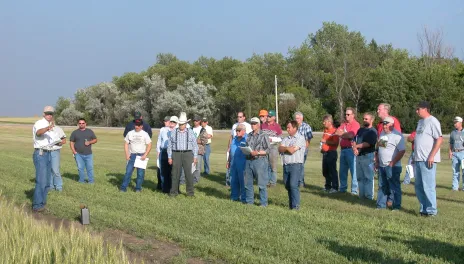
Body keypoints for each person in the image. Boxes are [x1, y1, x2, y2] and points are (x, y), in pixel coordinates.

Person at [414, 101, 442, 217]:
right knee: (419, 186)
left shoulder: (433, 121)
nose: (417, 111)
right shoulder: (420, 122)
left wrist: (432, 155)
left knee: (428, 186)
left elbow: (439, 139)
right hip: (418, 158)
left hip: (428, 159)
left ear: (425, 109)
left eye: (418, 109)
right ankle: (423, 209)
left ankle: (431, 211)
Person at [375, 117, 406, 210]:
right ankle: (381, 206)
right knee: (382, 186)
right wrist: (377, 161)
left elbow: (402, 151)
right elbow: (381, 149)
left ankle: (396, 207)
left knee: (394, 187)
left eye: (386, 124)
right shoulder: (383, 134)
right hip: (382, 165)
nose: (384, 126)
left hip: (393, 166)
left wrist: (393, 163)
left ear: (392, 125)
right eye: (383, 124)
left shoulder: (397, 135)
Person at [32, 106, 57, 212]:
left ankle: (42, 203)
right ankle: (37, 205)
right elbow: (38, 133)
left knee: (47, 182)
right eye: (47, 113)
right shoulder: (40, 123)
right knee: (41, 181)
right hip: (40, 153)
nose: (49, 115)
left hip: (48, 153)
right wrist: (48, 128)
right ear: (43, 114)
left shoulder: (49, 125)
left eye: (51, 113)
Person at [168, 112, 198, 197]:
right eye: (180, 124)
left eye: (183, 124)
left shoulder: (190, 132)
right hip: (176, 153)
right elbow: (169, 145)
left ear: (185, 124)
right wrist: (169, 157)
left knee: (189, 174)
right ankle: (173, 192)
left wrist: (195, 157)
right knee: (175, 174)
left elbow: (195, 145)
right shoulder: (174, 132)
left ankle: (190, 193)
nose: (181, 125)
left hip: (188, 154)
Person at [279, 120, 306, 210]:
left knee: (293, 185)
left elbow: (292, 151)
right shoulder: (286, 139)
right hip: (286, 165)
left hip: (295, 165)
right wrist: (287, 148)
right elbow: (280, 148)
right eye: (287, 127)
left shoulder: (300, 138)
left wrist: (285, 148)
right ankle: (291, 205)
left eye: (289, 127)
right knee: (287, 185)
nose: (287, 129)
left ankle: (296, 206)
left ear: (295, 128)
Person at [244, 117, 270, 207]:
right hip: (248, 160)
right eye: (251, 123)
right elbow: (247, 146)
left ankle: (263, 203)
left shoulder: (264, 135)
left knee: (261, 184)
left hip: (260, 161)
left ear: (259, 124)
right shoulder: (249, 135)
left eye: (254, 123)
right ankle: (249, 202)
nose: (252, 125)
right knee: (247, 183)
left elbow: (268, 150)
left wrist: (258, 152)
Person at [120, 119, 152, 192]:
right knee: (128, 172)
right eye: (136, 125)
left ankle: (138, 188)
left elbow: (149, 145)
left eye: (138, 125)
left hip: (141, 156)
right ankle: (123, 188)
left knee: (140, 174)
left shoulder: (145, 134)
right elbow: (126, 144)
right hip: (132, 155)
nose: (136, 126)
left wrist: (145, 155)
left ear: (141, 126)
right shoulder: (130, 133)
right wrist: (127, 154)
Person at [335, 107, 360, 194]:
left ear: (353, 115)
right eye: (345, 114)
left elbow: (351, 135)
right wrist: (344, 134)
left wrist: (343, 134)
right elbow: (337, 132)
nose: (346, 116)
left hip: (351, 150)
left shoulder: (356, 124)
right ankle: (342, 188)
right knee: (342, 171)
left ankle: (354, 191)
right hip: (343, 150)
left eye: (348, 114)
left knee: (354, 171)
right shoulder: (344, 124)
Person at [352, 113, 377, 200]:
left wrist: (356, 146)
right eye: (363, 119)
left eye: (366, 119)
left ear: (371, 120)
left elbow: (368, 143)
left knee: (368, 177)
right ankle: (361, 196)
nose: (364, 120)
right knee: (360, 177)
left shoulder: (372, 131)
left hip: (368, 156)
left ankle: (369, 197)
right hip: (359, 156)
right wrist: (354, 148)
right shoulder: (360, 130)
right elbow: (354, 139)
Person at [226, 112, 252, 187]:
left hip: (242, 154)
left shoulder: (248, 126)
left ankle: (243, 195)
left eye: (240, 117)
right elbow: (231, 137)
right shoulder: (234, 125)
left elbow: (249, 139)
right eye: (238, 117)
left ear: (244, 117)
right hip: (234, 148)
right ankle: (234, 194)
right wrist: (229, 147)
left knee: (242, 177)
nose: (239, 118)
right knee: (233, 175)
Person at [70, 118, 98, 184]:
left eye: (83, 123)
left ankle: (91, 181)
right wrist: (74, 151)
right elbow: (71, 142)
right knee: (80, 168)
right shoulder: (75, 132)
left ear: (85, 124)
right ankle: (81, 181)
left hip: (88, 154)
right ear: (78, 124)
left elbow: (95, 140)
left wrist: (90, 142)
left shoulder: (90, 131)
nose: (81, 124)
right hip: (78, 154)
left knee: (90, 168)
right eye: (80, 123)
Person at [261, 110, 283, 187]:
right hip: (264, 147)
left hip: (273, 147)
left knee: (273, 165)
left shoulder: (277, 126)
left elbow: (281, 138)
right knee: (265, 165)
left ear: (274, 117)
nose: (268, 118)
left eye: (269, 116)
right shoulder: (263, 125)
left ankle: (273, 182)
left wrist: (272, 139)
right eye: (267, 116)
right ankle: (267, 181)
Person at [227, 124, 248, 202]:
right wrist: (228, 161)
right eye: (236, 130)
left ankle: (244, 198)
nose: (237, 132)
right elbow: (230, 150)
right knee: (233, 180)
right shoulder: (234, 139)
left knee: (243, 181)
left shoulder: (247, 139)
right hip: (233, 163)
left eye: (239, 130)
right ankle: (234, 197)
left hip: (243, 164)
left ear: (244, 131)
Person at [320, 115, 340, 193]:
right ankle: (328, 186)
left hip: (331, 153)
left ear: (329, 122)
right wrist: (322, 148)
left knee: (332, 170)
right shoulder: (325, 130)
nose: (323, 123)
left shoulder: (334, 131)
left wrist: (326, 142)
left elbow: (335, 143)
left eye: (325, 121)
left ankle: (335, 187)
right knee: (325, 171)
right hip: (325, 153)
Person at [294, 111, 313, 187]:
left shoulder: (306, 127)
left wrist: (305, 148)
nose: (296, 120)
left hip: (303, 149)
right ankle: (296, 181)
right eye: (295, 118)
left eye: (298, 118)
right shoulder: (294, 126)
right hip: (295, 149)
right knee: (296, 165)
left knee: (301, 165)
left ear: (302, 118)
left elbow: (308, 139)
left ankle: (301, 182)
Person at [48, 121, 67, 192]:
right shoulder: (44, 128)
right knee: (48, 170)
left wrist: (58, 142)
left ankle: (59, 186)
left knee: (55, 170)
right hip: (45, 151)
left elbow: (64, 140)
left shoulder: (58, 129)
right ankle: (50, 186)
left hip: (55, 151)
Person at [156, 116, 171, 191]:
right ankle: (163, 187)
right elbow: (159, 141)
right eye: (165, 121)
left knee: (170, 170)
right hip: (163, 151)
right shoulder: (162, 129)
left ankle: (170, 186)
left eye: (167, 121)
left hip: (170, 151)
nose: (166, 122)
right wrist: (158, 151)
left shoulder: (174, 129)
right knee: (162, 170)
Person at [449, 116, 464, 191]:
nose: (455, 124)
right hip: (455, 153)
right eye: (454, 122)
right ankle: (455, 187)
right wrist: (450, 152)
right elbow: (451, 143)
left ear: (461, 122)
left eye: (456, 122)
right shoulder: (452, 133)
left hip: (463, 153)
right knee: (455, 171)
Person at [193, 116, 208, 184]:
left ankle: (196, 180)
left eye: (196, 121)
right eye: (194, 120)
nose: (195, 122)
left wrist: (195, 141)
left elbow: (205, 141)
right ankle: (191, 179)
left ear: (199, 121)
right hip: (191, 150)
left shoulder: (202, 130)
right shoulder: (191, 129)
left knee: (197, 166)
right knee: (191, 166)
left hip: (199, 150)